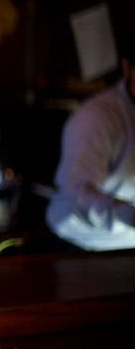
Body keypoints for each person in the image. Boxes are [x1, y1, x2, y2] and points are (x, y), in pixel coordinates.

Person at [46, 41, 135, 251]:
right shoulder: (97, 116)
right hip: (82, 244)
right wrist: (130, 215)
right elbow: (77, 191)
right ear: (126, 68)